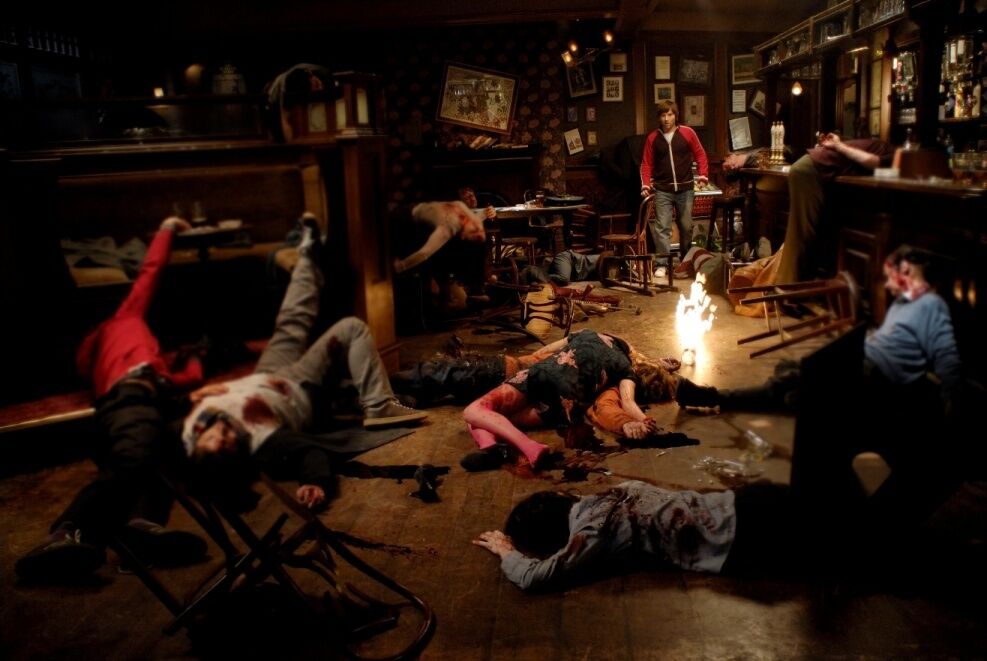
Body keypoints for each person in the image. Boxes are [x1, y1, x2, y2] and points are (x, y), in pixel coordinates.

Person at [182, 218, 427, 511]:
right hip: (299, 384)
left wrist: (189, 397)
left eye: (213, 435)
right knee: (351, 328)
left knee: (292, 317)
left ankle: (308, 255)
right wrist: (314, 482)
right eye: (227, 439)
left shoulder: (189, 432)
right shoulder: (264, 444)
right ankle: (379, 405)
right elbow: (309, 454)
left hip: (266, 372)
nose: (223, 429)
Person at [16, 217, 208, 582]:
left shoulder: (111, 359)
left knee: (163, 453)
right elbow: (150, 274)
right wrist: (167, 229)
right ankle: (67, 532)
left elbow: (186, 380)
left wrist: (190, 359)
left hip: (144, 401)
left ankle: (140, 530)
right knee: (134, 459)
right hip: (130, 399)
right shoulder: (120, 322)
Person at [473, 480, 800, 591]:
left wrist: (507, 552)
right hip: (745, 499)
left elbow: (535, 578)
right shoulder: (620, 490)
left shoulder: (592, 532)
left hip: (748, 538)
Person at [460, 330, 676, 471]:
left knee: (475, 411)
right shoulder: (625, 369)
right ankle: (492, 449)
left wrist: (528, 368)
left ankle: (530, 447)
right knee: (488, 418)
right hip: (564, 407)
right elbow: (628, 402)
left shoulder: (589, 333)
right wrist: (643, 419)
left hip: (544, 374)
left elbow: (544, 351)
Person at [775, 132, 894, 283]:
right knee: (803, 234)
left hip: (807, 168)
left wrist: (838, 145)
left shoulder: (874, 144)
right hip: (810, 171)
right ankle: (788, 288)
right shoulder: (892, 152)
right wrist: (839, 146)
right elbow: (871, 161)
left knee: (801, 232)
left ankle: (788, 286)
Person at [639, 100, 709, 279]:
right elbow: (646, 164)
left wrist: (703, 175)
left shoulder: (687, 133)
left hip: (685, 188)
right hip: (663, 190)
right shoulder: (653, 138)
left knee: (686, 226)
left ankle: (685, 261)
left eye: (670, 114)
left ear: (675, 116)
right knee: (662, 227)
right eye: (663, 115)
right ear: (659, 118)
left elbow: (700, 154)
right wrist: (645, 184)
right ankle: (662, 263)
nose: (666, 119)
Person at [392, 190, 496, 275]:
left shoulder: (448, 229)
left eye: (474, 230)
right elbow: (474, 218)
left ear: (463, 234)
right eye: (480, 228)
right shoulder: (464, 213)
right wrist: (487, 212)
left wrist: (400, 266)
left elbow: (424, 253)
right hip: (412, 204)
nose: (477, 225)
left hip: (404, 218)